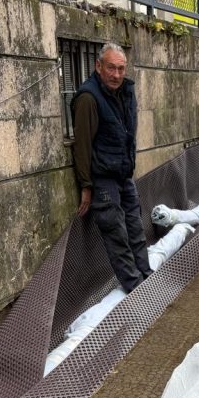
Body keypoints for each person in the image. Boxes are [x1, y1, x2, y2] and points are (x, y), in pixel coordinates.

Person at [72, 42, 152, 292]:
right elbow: (82, 145)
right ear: (98, 66)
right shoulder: (88, 98)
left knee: (136, 228)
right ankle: (135, 288)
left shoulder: (125, 91)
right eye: (111, 68)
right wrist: (86, 185)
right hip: (103, 179)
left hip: (124, 174)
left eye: (121, 68)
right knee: (117, 235)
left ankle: (147, 276)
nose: (117, 75)